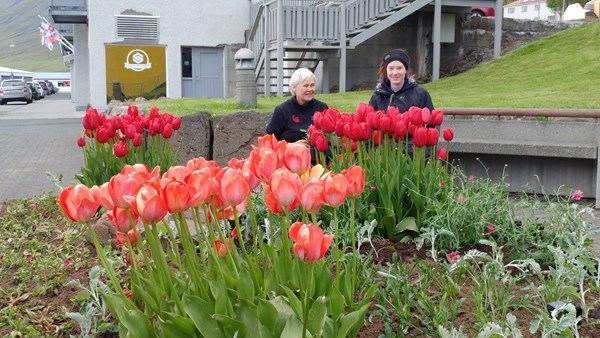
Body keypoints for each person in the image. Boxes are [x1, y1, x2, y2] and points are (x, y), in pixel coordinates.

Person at [266, 67, 328, 145]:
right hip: (290, 155)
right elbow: (268, 142)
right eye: (305, 86)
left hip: (317, 155)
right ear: (294, 87)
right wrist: (291, 146)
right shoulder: (282, 110)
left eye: (312, 85)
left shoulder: (321, 108)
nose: (310, 89)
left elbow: (328, 139)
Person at [368, 49, 434, 113]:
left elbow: (431, 121)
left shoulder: (420, 94)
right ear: (386, 70)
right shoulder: (378, 96)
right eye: (391, 68)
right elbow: (368, 121)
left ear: (406, 70)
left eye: (399, 68)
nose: (395, 73)